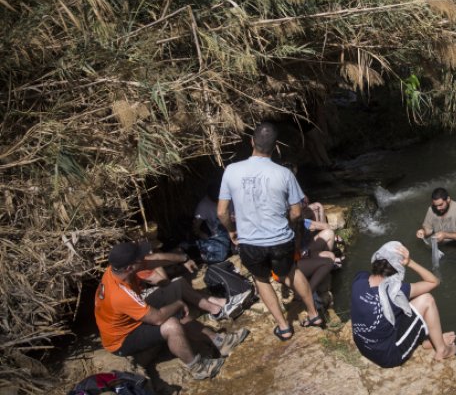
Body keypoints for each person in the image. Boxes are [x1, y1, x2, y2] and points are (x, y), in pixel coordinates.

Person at [217, 121, 323, 342]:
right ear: (275, 147)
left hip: (250, 243)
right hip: (280, 239)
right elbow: (296, 212)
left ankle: (284, 327)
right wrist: (292, 227)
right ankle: (314, 315)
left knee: (261, 279)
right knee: (291, 273)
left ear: (251, 142)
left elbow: (222, 212)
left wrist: (231, 231)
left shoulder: (231, 171)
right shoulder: (284, 173)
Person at [94, 241, 249, 380]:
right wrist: (178, 304)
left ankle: (220, 341)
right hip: (122, 339)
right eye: (140, 258)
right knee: (171, 325)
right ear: (129, 267)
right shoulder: (120, 294)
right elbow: (158, 319)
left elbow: (155, 259)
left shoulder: (119, 268)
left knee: (176, 296)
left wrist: (184, 258)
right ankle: (198, 368)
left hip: (131, 318)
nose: (145, 258)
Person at [350, 241, 456, 367]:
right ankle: (442, 349)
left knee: (401, 305)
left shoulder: (360, 280)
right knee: (427, 300)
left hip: (363, 345)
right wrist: (410, 262)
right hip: (387, 356)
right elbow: (433, 282)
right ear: (397, 270)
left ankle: (428, 339)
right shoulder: (396, 291)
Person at [191, 182, 232, 264]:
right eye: (215, 199)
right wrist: (201, 234)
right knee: (220, 255)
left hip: (236, 225)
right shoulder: (203, 206)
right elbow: (195, 228)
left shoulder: (230, 196)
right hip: (221, 234)